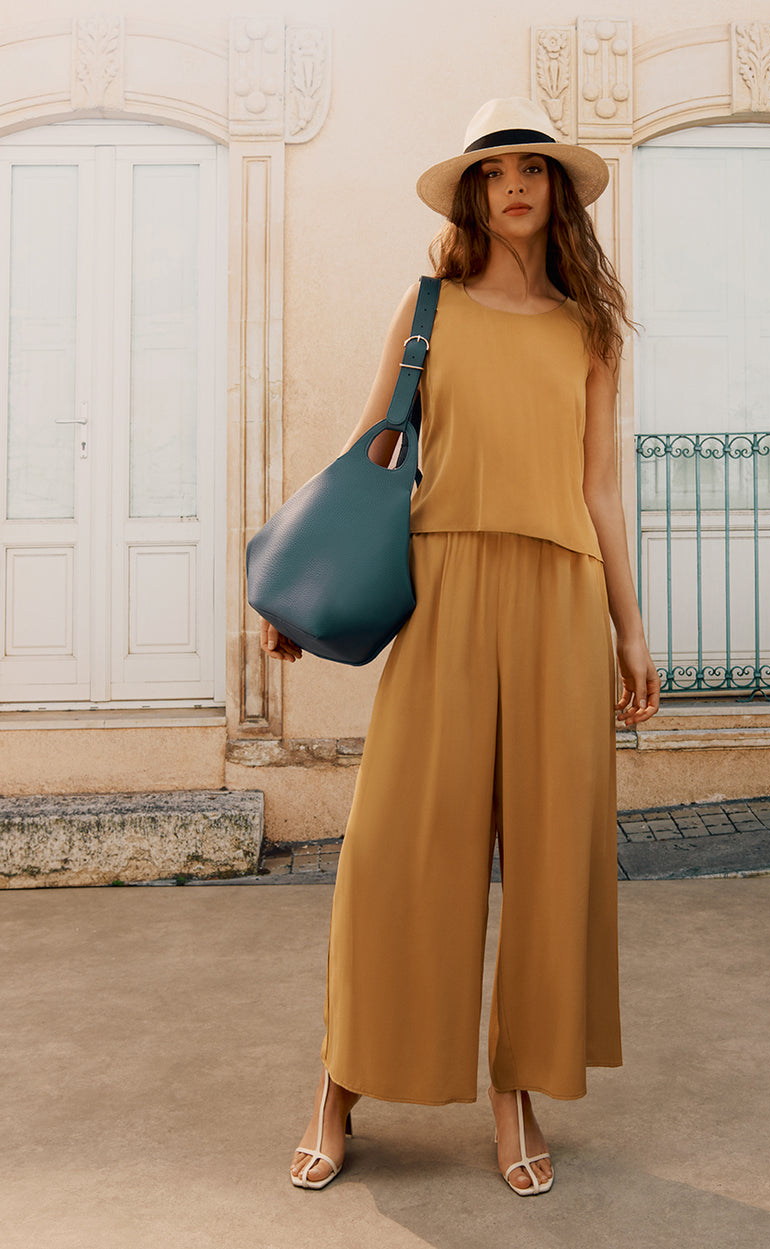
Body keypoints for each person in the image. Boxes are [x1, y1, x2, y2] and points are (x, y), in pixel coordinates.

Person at [260, 97, 660, 1196]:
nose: (516, 185)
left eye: (534, 168)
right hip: (443, 586)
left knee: (546, 857)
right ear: (475, 194)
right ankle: (339, 1083)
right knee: (397, 847)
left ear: (557, 191)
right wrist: (292, 592)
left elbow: (598, 489)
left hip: (560, 594)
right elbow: (367, 445)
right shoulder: (429, 304)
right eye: (495, 172)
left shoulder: (587, 328)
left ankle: (515, 1089)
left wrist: (630, 628)